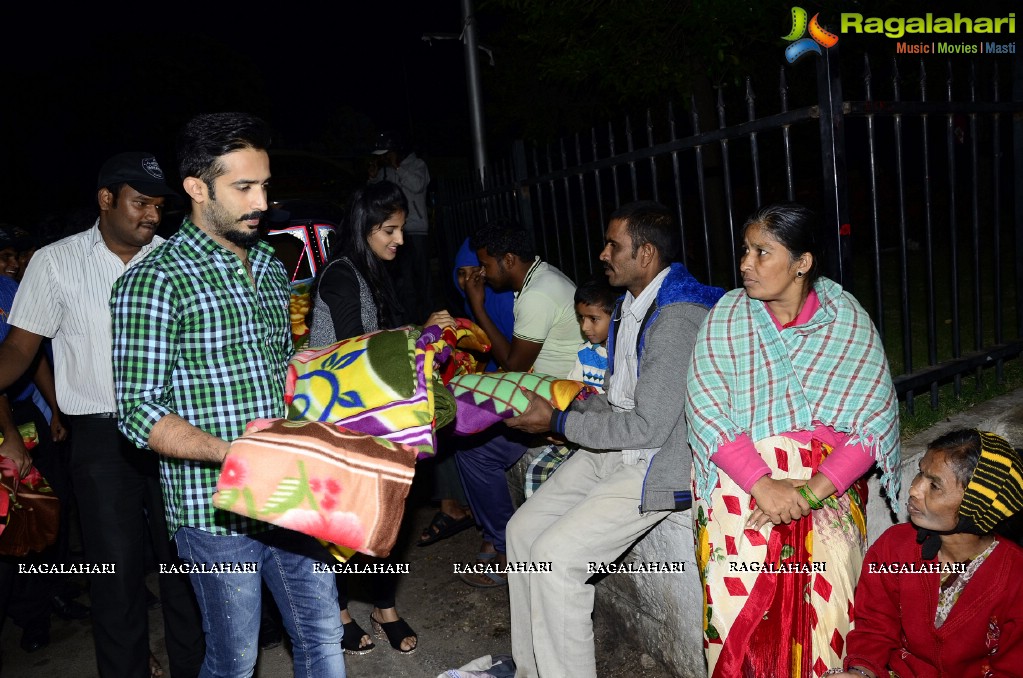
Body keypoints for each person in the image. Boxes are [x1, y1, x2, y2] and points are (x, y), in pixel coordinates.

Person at [110, 113, 344, 678]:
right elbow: (139, 412)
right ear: (196, 188)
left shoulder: (267, 263)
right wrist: (234, 452)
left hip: (291, 493)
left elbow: (267, 360)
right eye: (243, 187)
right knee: (236, 661)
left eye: (264, 184)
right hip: (214, 511)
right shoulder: (153, 280)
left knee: (323, 638)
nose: (261, 201)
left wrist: (302, 364)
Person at [0, 153, 203, 678]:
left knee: (185, 568)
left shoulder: (175, 258)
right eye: (141, 203)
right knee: (114, 578)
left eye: (159, 206)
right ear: (106, 198)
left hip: (172, 430)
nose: (152, 217)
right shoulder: (54, 261)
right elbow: (21, 351)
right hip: (100, 440)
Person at [503, 200, 724, 676]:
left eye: (613, 245)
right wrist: (562, 404)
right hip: (615, 452)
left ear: (646, 254)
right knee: (521, 534)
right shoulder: (628, 305)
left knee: (558, 559)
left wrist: (557, 423)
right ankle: (531, 669)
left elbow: (649, 427)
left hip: (655, 465)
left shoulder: (677, 317)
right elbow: (616, 401)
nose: (604, 253)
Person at [685, 202, 901, 677]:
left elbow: (873, 423)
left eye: (763, 252)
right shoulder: (726, 318)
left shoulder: (847, 320)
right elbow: (707, 411)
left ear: (802, 263)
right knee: (735, 579)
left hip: (825, 480)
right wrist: (764, 485)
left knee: (831, 579)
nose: (746, 263)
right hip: (742, 476)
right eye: (746, 250)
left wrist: (808, 491)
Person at [308, 179, 454, 656]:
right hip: (341, 418)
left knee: (390, 513)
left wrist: (419, 331)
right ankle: (340, 610)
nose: (399, 239)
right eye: (389, 230)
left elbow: (380, 337)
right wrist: (422, 332)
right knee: (346, 521)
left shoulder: (369, 271)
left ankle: (384, 606)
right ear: (364, 228)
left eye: (400, 229)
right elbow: (357, 352)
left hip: (370, 414)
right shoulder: (342, 275)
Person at [831, 429, 1023, 677]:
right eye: (921, 473)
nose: (914, 489)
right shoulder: (895, 548)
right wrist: (861, 672)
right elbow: (875, 628)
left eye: (934, 485)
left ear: (975, 506)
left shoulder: (1015, 579)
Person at [455, 223, 581, 587]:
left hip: (558, 402)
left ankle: (505, 549)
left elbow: (512, 364)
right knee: (467, 428)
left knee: (473, 447)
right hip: (545, 390)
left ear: (508, 260)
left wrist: (477, 305)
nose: (481, 273)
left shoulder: (538, 294)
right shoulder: (537, 279)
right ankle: (498, 539)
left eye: (486, 265)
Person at [418, 237, 517, 548]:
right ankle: (458, 509)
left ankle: (496, 538)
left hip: (511, 388)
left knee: (459, 426)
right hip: (485, 385)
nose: (467, 280)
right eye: (461, 273)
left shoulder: (501, 301)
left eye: (476, 271)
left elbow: (512, 362)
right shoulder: (470, 301)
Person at [523, 275, 617, 498]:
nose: (585, 327)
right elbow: (569, 391)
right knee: (537, 471)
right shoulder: (585, 353)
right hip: (576, 428)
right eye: (581, 318)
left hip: (603, 433)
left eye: (593, 319)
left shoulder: (621, 356)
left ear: (616, 316)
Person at [367, 130, 433, 318]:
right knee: (404, 280)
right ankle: (410, 321)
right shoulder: (386, 170)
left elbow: (416, 185)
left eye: (389, 153)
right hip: (394, 232)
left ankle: (431, 317)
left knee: (423, 277)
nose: (386, 157)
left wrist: (398, 166)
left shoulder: (417, 165)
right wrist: (373, 177)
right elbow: (374, 197)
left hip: (417, 229)